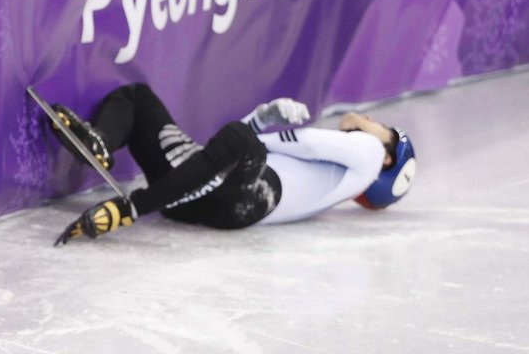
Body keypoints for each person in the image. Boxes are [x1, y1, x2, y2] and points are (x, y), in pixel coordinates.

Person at [48, 82, 416, 244]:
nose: (372, 122)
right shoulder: (340, 180)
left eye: (383, 128)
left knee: (238, 140)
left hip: (248, 194)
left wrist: (256, 128)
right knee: (139, 97)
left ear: (387, 156)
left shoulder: (368, 155)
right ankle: (100, 142)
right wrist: (259, 121)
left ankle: (131, 207)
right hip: (216, 200)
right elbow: (236, 148)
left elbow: (279, 143)